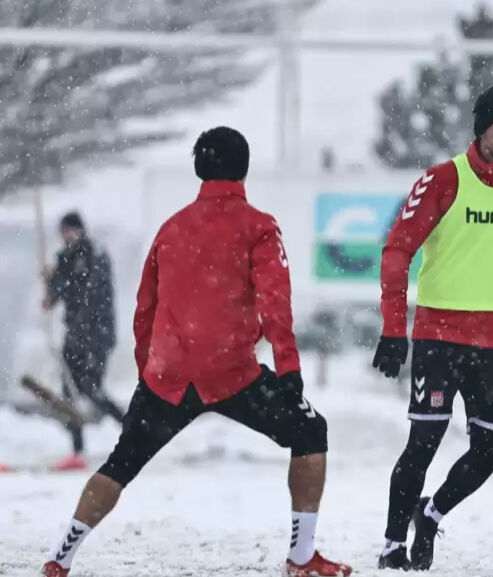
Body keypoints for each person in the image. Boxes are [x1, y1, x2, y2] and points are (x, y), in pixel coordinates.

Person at [41, 127, 351, 577]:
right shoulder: (259, 227)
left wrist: (149, 369)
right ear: (244, 168)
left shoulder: (171, 229)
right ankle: (302, 558)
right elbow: (276, 304)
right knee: (310, 431)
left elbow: (144, 308)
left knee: (120, 464)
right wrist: (288, 370)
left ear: (198, 170)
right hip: (233, 374)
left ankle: (60, 557)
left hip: (166, 377)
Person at [372, 86, 493, 571]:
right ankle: (391, 547)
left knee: (491, 448)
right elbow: (396, 251)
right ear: (482, 130)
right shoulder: (443, 179)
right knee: (423, 443)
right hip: (439, 339)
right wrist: (393, 328)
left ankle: (429, 516)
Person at [42, 211, 122, 471]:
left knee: (90, 388)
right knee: (68, 389)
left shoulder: (94, 255)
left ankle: (133, 431)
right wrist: (49, 282)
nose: (66, 236)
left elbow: (90, 292)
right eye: (63, 232)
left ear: (79, 230)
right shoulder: (64, 257)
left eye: (69, 230)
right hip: (74, 334)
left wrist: (60, 281)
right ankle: (77, 450)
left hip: (97, 335)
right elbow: (57, 295)